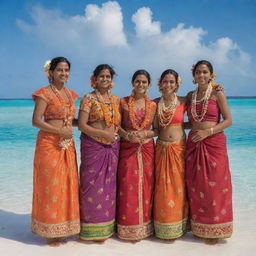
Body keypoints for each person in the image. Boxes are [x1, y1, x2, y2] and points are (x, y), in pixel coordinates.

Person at [31, 57, 80, 246]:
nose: (64, 73)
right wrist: (59, 131)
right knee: (50, 186)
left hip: (67, 145)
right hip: (49, 144)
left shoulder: (70, 94)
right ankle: (49, 232)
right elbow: (36, 121)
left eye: (67, 70)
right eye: (60, 70)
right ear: (50, 72)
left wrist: (89, 123)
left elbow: (71, 120)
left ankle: (63, 227)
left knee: (66, 185)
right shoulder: (44, 94)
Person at [185, 60, 233, 244]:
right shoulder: (190, 96)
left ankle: (216, 229)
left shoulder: (217, 92)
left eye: (205, 72)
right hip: (194, 143)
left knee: (216, 186)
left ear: (211, 74)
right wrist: (172, 127)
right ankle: (199, 227)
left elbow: (228, 121)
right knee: (196, 185)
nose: (201, 75)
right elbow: (193, 121)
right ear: (194, 75)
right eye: (198, 72)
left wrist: (208, 132)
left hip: (214, 142)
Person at [78, 64, 120, 241]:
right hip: (92, 147)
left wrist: (116, 134)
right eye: (102, 76)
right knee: (91, 186)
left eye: (108, 76)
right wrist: (103, 134)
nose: (105, 79)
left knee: (109, 188)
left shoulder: (116, 100)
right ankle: (89, 229)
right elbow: (82, 125)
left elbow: (118, 123)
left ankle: (107, 228)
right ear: (94, 79)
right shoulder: (88, 99)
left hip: (112, 148)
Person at [117, 70, 157, 241]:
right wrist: (127, 136)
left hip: (147, 149)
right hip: (127, 149)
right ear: (132, 83)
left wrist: (145, 135)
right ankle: (128, 227)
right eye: (138, 81)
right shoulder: (123, 102)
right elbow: (116, 125)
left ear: (149, 84)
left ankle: (146, 227)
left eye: (144, 82)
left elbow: (157, 129)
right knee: (127, 185)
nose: (141, 84)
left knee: (147, 186)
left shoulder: (153, 105)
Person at [153, 69, 188, 240]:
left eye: (171, 82)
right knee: (162, 188)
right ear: (160, 84)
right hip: (161, 149)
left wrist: (215, 87)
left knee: (179, 186)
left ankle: (180, 225)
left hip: (179, 148)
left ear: (177, 84)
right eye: (165, 81)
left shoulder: (183, 100)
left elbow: (203, 101)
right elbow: (153, 128)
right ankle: (163, 226)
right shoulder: (154, 103)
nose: (168, 85)